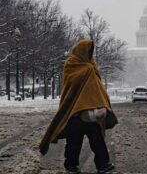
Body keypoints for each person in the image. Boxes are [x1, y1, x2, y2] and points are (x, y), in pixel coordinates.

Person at [39, 40, 118, 173]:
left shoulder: (89, 66)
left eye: (91, 52)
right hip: (76, 111)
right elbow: (71, 86)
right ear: (82, 51)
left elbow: (96, 87)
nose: (90, 54)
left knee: (93, 140)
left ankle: (100, 165)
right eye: (88, 51)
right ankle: (76, 165)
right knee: (76, 141)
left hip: (89, 111)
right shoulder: (75, 65)